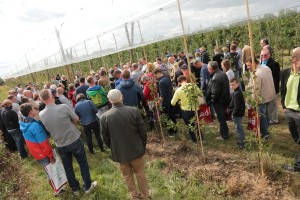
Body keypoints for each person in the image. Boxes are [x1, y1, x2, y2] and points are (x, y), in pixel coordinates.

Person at [39, 89, 97, 195]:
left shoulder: (41, 114)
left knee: (68, 167)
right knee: (82, 163)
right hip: (73, 139)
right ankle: (88, 186)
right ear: (52, 96)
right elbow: (76, 119)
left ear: (42, 100)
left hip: (60, 144)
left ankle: (75, 189)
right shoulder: (63, 107)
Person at [100, 89, 149, 199]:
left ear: (109, 100)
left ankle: (134, 196)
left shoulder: (104, 117)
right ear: (121, 97)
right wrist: (142, 145)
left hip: (120, 152)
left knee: (127, 176)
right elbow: (142, 131)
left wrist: (113, 147)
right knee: (140, 174)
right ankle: (145, 195)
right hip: (136, 148)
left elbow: (105, 138)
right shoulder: (134, 111)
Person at [19, 103, 59, 195]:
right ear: (30, 112)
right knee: (50, 172)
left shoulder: (24, 124)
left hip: (37, 153)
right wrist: (50, 155)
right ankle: (57, 190)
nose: (35, 110)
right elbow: (43, 143)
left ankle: (57, 188)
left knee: (47, 170)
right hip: (43, 153)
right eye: (33, 109)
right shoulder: (34, 126)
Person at [245, 57, 276, 139]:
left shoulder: (257, 73)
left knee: (262, 117)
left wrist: (252, 101)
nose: (248, 67)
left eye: (249, 65)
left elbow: (256, 90)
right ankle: (266, 131)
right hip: (269, 96)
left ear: (254, 63)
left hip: (261, 98)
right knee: (266, 115)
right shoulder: (266, 68)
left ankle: (265, 134)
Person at [281, 47, 300, 172]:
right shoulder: (285, 73)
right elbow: (283, 90)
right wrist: (283, 106)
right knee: (296, 138)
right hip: (288, 111)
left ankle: (298, 166)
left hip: (299, 113)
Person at [171, 75, 205, 143]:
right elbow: (201, 94)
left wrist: (180, 101)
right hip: (195, 108)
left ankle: (194, 140)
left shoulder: (178, 90)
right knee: (197, 124)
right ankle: (201, 138)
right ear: (186, 79)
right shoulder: (193, 86)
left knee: (189, 126)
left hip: (185, 110)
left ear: (179, 82)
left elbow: (172, 103)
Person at [206, 61, 231, 140]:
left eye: (208, 69)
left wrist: (211, 101)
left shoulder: (215, 78)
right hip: (224, 99)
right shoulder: (223, 73)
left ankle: (224, 135)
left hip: (219, 102)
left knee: (221, 118)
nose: (208, 70)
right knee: (222, 117)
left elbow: (215, 93)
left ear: (211, 69)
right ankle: (225, 130)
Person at [153, 68, 177, 137]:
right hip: (171, 100)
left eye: (155, 75)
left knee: (167, 117)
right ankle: (175, 130)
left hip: (166, 102)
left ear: (158, 73)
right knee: (172, 116)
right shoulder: (167, 78)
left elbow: (162, 95)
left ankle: (171, 132)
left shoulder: (161, 82)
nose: (155, 77)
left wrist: (158, 102)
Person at [260, 48, 280, 124]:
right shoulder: (261, 62)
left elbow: (276, 78)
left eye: (265, 55)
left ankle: (274, 119)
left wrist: (274, 89)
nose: (263, 57)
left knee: (272, 104)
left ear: (269, 54)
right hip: (264, 87)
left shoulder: (274, 64)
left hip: (272, 88)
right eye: (262, 55)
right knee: (266, 104)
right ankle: (268, 117)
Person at [228, 78, 246, 149]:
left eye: (233, 85)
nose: (231, 87)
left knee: (238, 128)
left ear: (238, 84)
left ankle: (241, 142)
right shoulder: (236, 91)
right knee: (239, 127)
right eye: (230, 85)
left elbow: (237, 106)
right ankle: (242, 139)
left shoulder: (237, 93)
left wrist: (233, 113)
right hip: (239, 113)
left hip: (237, 114)